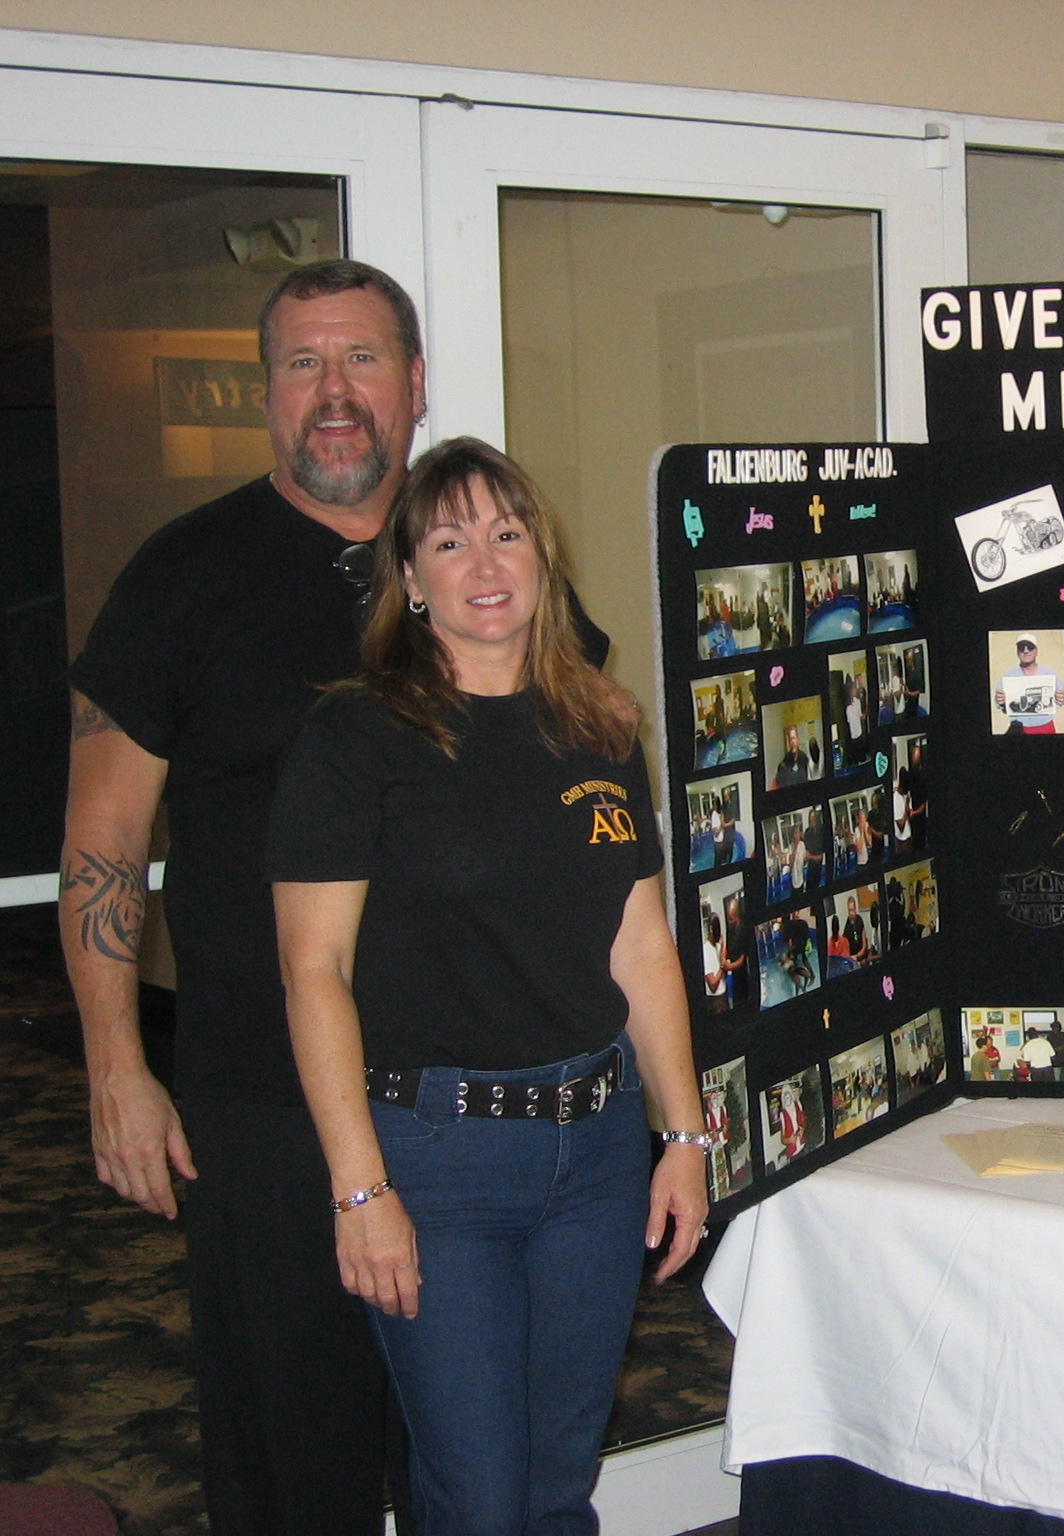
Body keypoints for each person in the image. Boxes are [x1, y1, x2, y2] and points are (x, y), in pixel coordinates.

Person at [60, 261, 573, 1536]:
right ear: (267, 394)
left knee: (476, 1468)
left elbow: (572, 810)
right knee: (296, 1467)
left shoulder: (484, 572)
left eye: (361, 360)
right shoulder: (182, 577)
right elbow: (102, 840)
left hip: (468, 1108)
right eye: (302, 364)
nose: (333, 392)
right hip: (267, 1106)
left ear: (414, 383)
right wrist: (117, 1067)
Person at [268, 437, 712, 1536]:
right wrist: (360, 1192)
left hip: (597, 1152)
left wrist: (685, 1138)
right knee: (476, 1497)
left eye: (506, 534)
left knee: (557, 1487)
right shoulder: (356, 736)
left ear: (541, 557)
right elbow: (314, 973)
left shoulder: (599, 726)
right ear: (410, 580)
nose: (484, 563)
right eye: (449, 541)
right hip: (437, 1162)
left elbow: (640, 945)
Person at [993, 633, 1064, 734]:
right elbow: (998, 704)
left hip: (1045, 726)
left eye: (1030, 647)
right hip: (1018, 729)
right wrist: (999, 700)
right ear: (1017, 652)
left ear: (1036, 651)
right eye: (1021, 648)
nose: (1026, 651)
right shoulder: (1008, 676)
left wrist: (1062, 698)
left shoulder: (1049, 673)